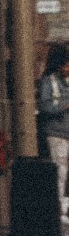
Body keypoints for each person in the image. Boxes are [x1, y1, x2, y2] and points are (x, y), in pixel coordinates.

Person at [38, 39, 69, 211]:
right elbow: (45, 106)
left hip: (66, 132)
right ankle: (58, 208)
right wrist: (64, 106)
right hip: (57, 134)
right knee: (60, 171)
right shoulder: (49, 82)